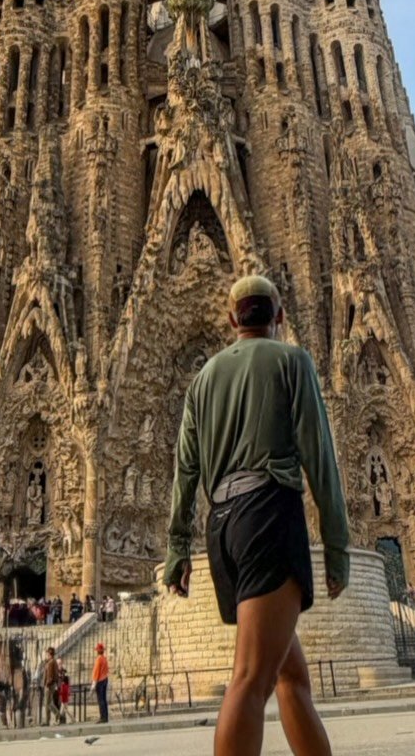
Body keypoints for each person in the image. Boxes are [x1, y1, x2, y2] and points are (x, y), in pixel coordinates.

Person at [164, 275, 349, 756]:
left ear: (232, 320)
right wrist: (337, 548)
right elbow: (320, 458)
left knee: (291, 677)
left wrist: (177, 549)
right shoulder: (292, 360)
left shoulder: (202, 380)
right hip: (268, 514)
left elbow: (185, 470)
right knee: (249, 679)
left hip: (222, 528)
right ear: (279, 316)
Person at [90, 642, 109, 723]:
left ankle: (102, 717)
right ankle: (105, 716)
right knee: (104, 699)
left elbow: (96, 671)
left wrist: (94, 683)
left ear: (97, 651)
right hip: (105, 679)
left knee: (100, 699)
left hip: (100, 680)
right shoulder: (104, 659)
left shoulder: (98, 659)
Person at [42, 647, 62, 725]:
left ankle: (57, 714)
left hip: (49, 685)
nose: (46, 655)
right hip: (51, 684)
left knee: (48, 703)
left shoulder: (51, 663)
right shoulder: (51, 662)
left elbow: (50, 675)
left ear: (50, 654)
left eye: (47, 653)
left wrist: (47, 684)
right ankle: (48, 720)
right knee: (49, 703)